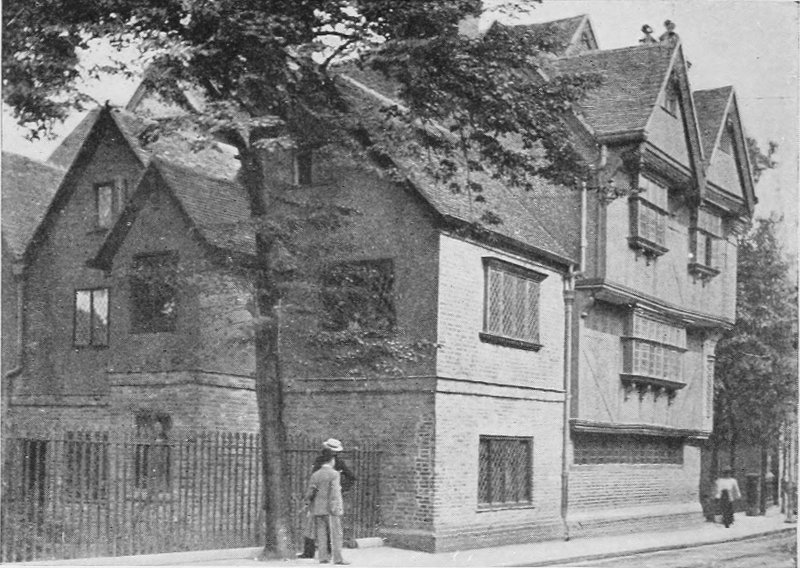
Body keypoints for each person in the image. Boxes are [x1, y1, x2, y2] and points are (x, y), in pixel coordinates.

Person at [299, 439, 356, 559]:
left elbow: (351, 477)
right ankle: (311, 552)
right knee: (313, 526)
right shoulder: (321, 461)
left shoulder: (338, 462)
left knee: (324, 527)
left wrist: (341, 489)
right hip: (322, 498)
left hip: (325, 498)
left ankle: (325, 553)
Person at [304, 452, 348, 564]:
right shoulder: (334, 474)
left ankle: (323, 557)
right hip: (331, 510)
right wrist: (335, 508)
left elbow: (310, 492)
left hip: (318, 509)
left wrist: (309, 503)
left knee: (321, 535)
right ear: (331, 460)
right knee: (335, 535)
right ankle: (338, 558)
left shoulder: (316, 474)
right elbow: (334, 492)